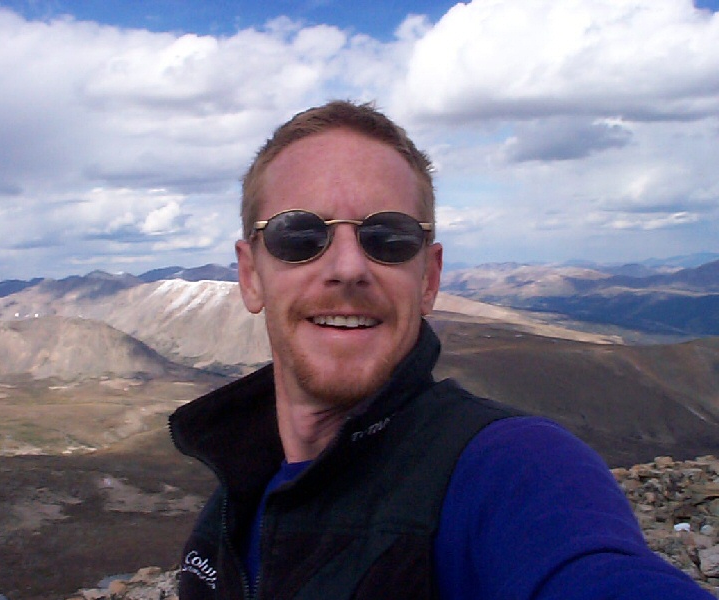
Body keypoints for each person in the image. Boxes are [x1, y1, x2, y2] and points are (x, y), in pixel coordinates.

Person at [169, 101, 714, 599]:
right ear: (250, 275)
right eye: (298, 235)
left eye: (389, 237)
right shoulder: (231, 502)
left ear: (428, 278)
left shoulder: (510, 468)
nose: (348, 268)